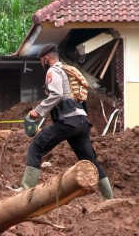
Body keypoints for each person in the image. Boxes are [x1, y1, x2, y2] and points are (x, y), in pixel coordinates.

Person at [16, 43, 113, 200]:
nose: (42, 63)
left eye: (42, 60)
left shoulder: (53, 71)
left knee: (36, 147)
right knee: (91, 161)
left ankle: (25, 191)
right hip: (81, 122)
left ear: (46, 59)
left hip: (69, 122)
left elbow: (56, 95)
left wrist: (37, 112)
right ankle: (109, 198)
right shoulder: (67, 70)